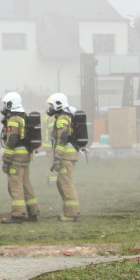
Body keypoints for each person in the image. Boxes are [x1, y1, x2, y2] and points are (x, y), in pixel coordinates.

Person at [0, 92, 39, 223]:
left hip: (16, 156)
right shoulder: (23, 117)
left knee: (15, 185)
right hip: (26, 155)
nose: (4, 107)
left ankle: (18, 214)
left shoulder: (13, 119)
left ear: (11, 104)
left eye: (5, 104)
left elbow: (12, 139)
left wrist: (6, 159)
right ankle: (33, 212)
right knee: (26, 184)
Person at [47, 92, 80, 222]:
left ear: (57, 104)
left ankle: (72, 214)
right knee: (63, 183)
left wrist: (57, 157)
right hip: (69, 155)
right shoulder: (65, 116)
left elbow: (62, 138)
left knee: (66, 184)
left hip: (66, 156)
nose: (50, 108)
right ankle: (69, 212)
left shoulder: (62, 119)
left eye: (51, 105)